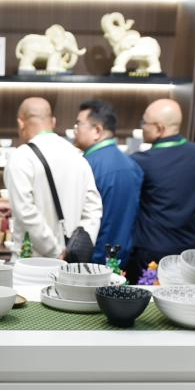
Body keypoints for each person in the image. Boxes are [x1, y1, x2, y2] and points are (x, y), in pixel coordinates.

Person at [126, 99, 195, 283]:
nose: (142, 127)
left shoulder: (142, 162)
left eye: (144, 123)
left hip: (150, 256)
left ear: (159, 128)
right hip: (192, 252)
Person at [4, 97, 101, 259]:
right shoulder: (78, 157)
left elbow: (25, 212)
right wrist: (77, 247)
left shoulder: (21, 157)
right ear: (53, 122)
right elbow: (93, 208)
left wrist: (55, 251)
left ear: (21, 123)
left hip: (31, 263)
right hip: (70, 264)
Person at [73, 99, 143, 267]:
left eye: (78, 124)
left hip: (90, 262)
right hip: (122, 260)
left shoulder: (85, 165)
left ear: (97, 131)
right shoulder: (132, 165)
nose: (75, 130)